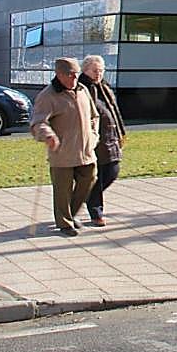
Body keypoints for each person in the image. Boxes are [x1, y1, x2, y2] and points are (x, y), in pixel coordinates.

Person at [31, 57, 99, 237]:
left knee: (89, 178)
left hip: (86, 150)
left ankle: (71, 213)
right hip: (62, 152)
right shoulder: (48, 96)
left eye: (76, 74)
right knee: (63, 189)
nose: (74, 78)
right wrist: (48, 135)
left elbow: (94, 116)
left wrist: (94, 135)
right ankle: (65, 223)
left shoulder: (83, 90)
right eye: (70, 75)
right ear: (59, 74)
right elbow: (38, 122)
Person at [77, 54, 127, 227]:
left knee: (112, 171)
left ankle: (86, 197)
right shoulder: (82, 88)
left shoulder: (104, 87)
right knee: (97, 176)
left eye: (101, 70)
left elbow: (114, 111)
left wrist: (121, 133)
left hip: (110, 138)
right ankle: (96, 211)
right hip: (94, 140)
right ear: (85, 70)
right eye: (95, 71)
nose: (98, 74)